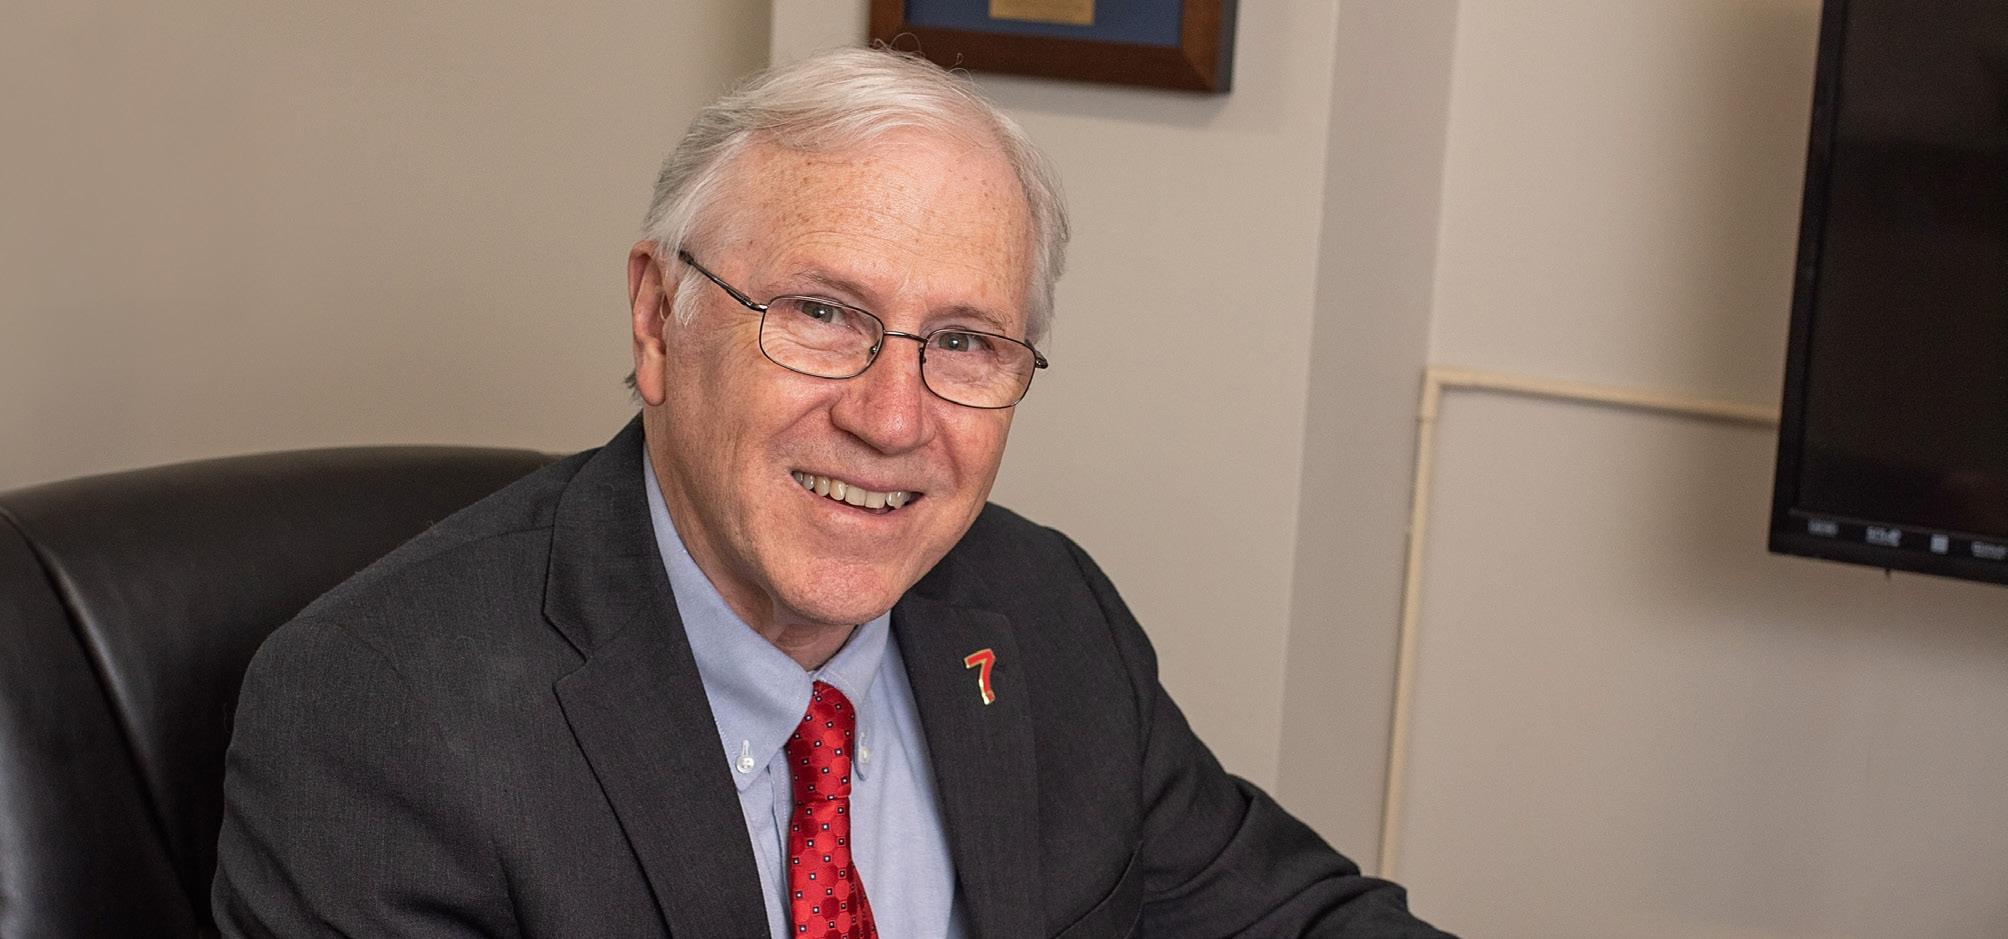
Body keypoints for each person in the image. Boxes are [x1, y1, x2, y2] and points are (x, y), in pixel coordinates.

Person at [212, 47, 1454, 938]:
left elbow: (1294, 919)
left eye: (963, 341)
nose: (891, 419)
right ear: (657, 317)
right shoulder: (383, 713)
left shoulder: (1042, 609)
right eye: (820, 313)